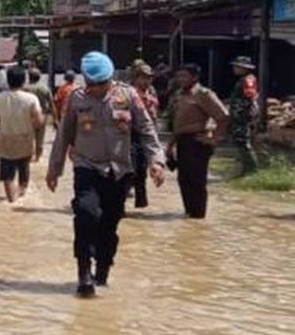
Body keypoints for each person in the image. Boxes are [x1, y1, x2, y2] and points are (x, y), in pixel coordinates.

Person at [47, 51, 166, 297]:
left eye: (101, 83)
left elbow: (146, 129)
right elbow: (64, 134)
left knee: (109, 225)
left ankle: (102, 270)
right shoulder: (77, 98)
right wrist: (54, 168)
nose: (96, 89)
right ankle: (83, 273)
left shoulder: (128, 95)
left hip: (119, 170)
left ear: (110, 78)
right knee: (86, 214)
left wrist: (156, 161)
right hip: (87, 165)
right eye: (91, 83)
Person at [167, 63, 229, 219]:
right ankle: (189, 214)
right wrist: (171, 144)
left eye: (185, 76)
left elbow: (223, 116)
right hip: (182, 141)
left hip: (197, 142)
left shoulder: (203, 94)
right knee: (184, 180)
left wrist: (213, 138)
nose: (181, 79)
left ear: (195, 77)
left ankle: (198, 216)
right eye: (179, 76)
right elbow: (177, 122)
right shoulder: (179, 94)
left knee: (196, 181)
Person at [0, 66, 44, 204]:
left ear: (8, 80)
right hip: (25, 138)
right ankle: (21, 196)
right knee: (23, 168)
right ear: (23, 81)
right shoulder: (31, 98)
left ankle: (11, 200)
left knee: (7, 175)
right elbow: (39, 121)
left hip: (5, 138)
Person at [128, 61, 160, 208]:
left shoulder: (151, 92)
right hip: (130, 135)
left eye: (149, 77)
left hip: (146, 135)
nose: (147, 81)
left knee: (142, 169)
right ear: (135, 78)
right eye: (143, 77)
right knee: (130, 169)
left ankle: (141, 203)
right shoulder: (128, 93)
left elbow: (155, 115)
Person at [228, 56, 260, 176]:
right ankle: (246, 168)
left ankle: (251, 169)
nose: (234, 68)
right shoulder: (243, 80)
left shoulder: (248, 79)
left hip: (243, 115)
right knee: (239, 141)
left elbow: (250, 96)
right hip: (239, 114)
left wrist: (242, 110)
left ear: (244, 68)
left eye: (237, 66)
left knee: (243, 142)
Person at [26, 68, 54, 161]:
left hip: (28, 116)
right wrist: (55, 118)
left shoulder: (25, 88)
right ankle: (38, 157)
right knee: (40, 137)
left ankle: (29, 156)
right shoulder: (44, 88)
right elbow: (51, 104)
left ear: (29, 77)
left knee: (29, 137)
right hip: (42, 115)